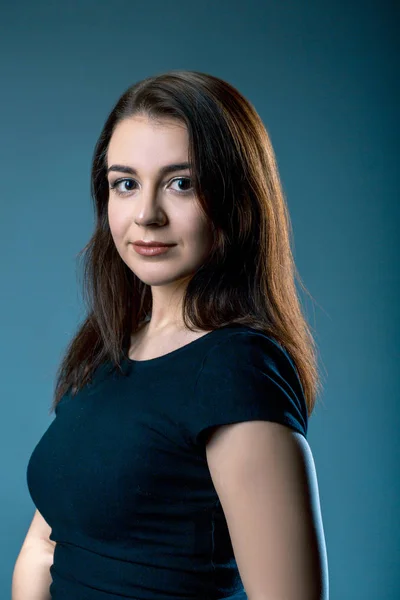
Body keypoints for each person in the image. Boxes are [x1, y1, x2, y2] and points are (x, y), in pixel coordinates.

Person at [12, 70, 329, 600]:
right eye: (125, 183)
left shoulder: (238, 369)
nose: (146, 214)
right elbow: (45, 546)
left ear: (236, 199)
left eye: (182, 183)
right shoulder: (108, 351)